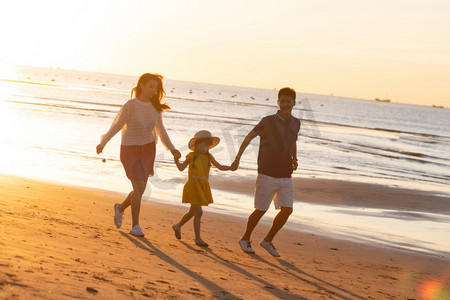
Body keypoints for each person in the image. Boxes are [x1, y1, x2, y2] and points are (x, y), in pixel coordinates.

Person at [96, 73, 181, 237]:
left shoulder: (155, 108)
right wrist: (103, 142)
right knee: (139, 187)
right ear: (141, 85)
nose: (153, 90)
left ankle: (120, 208)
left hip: (148, 149)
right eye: (151, 86)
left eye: (156, 88)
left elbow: (161, 131)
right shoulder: (131, 105)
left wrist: (172, 149)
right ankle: (135, 226)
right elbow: (118, 125)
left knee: (139, 189)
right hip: (129, 149)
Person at [232, 87, 300, 257]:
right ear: (277, 102)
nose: (285, 104)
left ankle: (267, 240)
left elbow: (293, 142)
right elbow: (248, 137)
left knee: (287, 210)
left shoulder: (296, 122)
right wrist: (237, 158)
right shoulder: (268, 121)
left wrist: (294, 158)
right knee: (261, 210)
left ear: (294, 103)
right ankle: (245, 238)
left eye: (288, 101)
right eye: (282, 101)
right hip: (266, 173)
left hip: (286, 175)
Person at [172, 130, 233, 247]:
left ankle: (177, 226)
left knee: (192, 212)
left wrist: (231, 167)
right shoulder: (191, 156)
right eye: (203, 145)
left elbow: (220, 167)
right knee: (199, 212)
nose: (205, 148)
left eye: (207, 145)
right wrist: (176, 160)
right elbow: (181, 168)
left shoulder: (209, 157)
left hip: (202, 186)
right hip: (193, 186)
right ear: (196, 145)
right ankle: (198, 238)